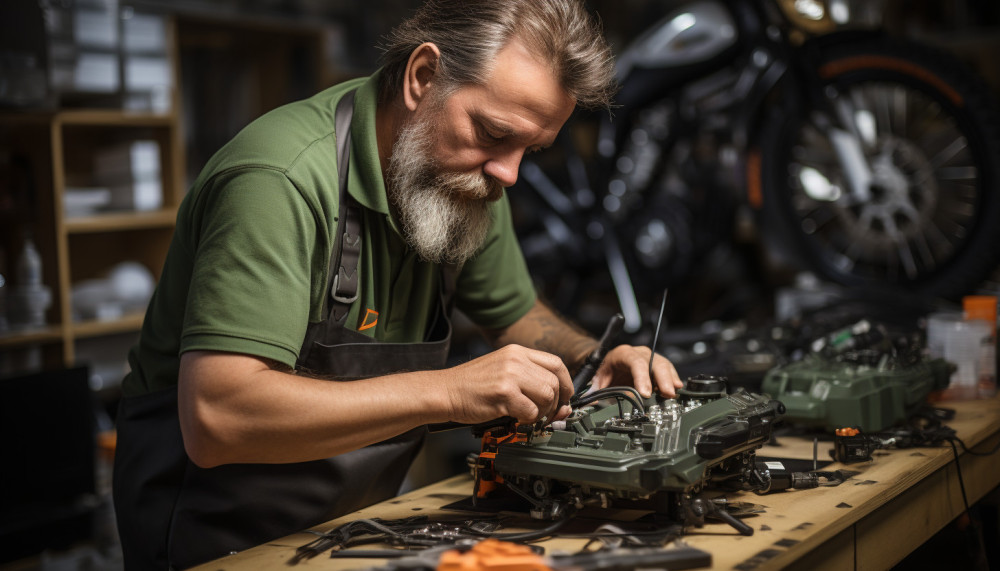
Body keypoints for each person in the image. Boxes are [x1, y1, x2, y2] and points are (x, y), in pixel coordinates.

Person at [112, 0, 684, 568]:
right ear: (422, 76)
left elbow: (517, 317)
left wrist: (596, 360)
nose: (508, 174)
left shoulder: (471, 179)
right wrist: (449, 392)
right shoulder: (278, 181)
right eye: (491, 132)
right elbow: (218, 417)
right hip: (217, 544)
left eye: (529, 151)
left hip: (355, 534)